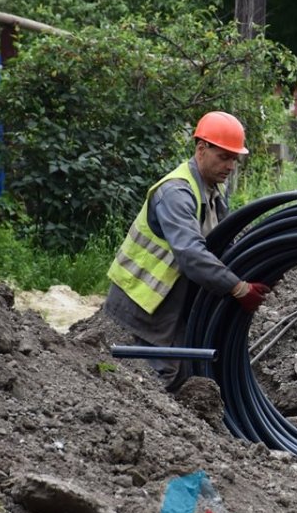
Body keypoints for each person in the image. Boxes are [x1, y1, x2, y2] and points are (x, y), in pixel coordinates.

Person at [104, 111, 271, 390]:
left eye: (234, 159)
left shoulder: (213, 192)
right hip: (145, 303)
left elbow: (222, 246)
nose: (230, 166)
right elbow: (192, 255)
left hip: (174, 302)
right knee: (162, 376)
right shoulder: (176, 193)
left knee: (187, 371)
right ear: (201, 149)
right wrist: (238, 288)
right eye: (223, 156)